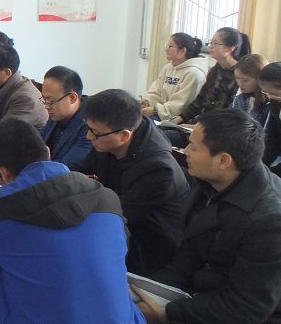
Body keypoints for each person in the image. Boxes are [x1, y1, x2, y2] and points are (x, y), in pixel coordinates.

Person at [0, 118, 144, 324]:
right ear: (48, 152)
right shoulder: (107, 198)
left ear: (2, 171)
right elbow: (120, 247)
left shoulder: (1, 208)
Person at [134, 109, 281, 323]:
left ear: (223, 160)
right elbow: (189, 254)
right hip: (201, 294)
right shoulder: (213, 180)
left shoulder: (268, 223)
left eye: (193, 147)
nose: (185, 151)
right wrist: (148, 292)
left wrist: (167, 312)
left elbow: (247, 306)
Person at [76, 89, 189, 275]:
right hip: (119, 229)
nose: (89, 137)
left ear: (124, 136)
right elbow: (79, 169)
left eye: (95, 132)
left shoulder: (158, 170)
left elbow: (117, 215)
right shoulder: (107, 139)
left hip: (147, 249)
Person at [169, 27, 251, 126]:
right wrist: (178, 119)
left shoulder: (239, 75)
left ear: (230, 48)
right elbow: (199, 101)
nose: (210, 46)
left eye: (215, 43)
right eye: (211, 42)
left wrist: (199, 128)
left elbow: (230, 113)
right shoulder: (215, 70)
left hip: (220, 129)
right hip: (201, 123)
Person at [140, 33, 208, 120]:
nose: (166, 49)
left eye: (170, 46)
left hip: (179, 119)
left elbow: (180, 105)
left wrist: (155, 110)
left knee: (139, 123)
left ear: (182, 51)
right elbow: (156, 91)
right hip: (160, 113)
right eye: (167, 46)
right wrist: (147, 101)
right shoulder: (168, 68)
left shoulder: (194, 73)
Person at [37, 66, 91, 170]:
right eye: (44, 100)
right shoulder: (57, 114)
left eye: (51, 101)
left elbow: (65, 167)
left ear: (72, 98)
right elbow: (36, 148)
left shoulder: (90, 124)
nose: (46, 106)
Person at [230, 53, 271, 126]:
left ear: (260, 79)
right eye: (237, 78)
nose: (240, 83)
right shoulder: (240, 97)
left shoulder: (270, 103)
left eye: (246, 80)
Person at [259, 62, 281, 170]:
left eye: (274, 94)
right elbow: (273, 136)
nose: (270, 97)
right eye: (265, 92)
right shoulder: (275, 103)